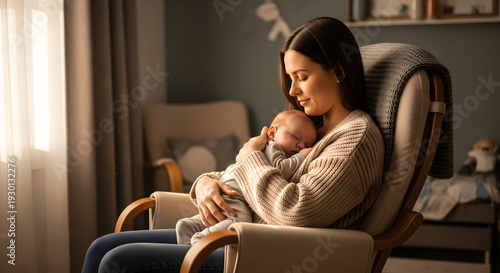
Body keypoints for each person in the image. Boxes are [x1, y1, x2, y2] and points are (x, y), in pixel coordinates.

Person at [81, 17, 384, 273]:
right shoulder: (313, 130)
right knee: (102, 246)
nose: (293, 90)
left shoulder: (355, 137)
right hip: (242, 232)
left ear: (340, 72)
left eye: (302, 77)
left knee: (118, 261)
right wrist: (205, 183)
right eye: (290, 78)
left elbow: (296, 211)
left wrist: (251, 154)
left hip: (271, 252)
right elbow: (245, 173)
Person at [176, 109, 317, 245]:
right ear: (273, 133)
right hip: (235, 193)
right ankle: (202, 240)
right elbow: (280, 169)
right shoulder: (274, 147)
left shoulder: (264, 149)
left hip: (228, 189)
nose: (301, 145)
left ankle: (190, 226)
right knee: (241, 222)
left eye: (307, 144)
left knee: (223, 217)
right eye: (295, 137)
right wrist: (301, 156)